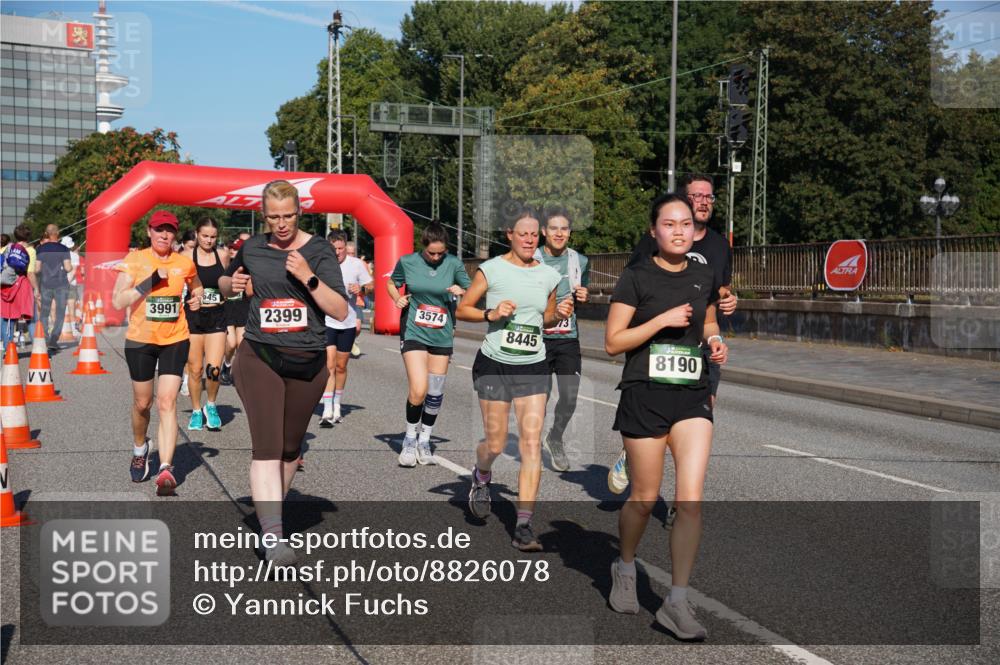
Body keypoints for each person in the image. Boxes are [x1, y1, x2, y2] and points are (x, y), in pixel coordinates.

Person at [604, 192, 728, 640]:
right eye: (668, 224)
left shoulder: (703, 272)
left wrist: (713, 342)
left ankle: (676, 601)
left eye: (685, 224)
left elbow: (708, 320)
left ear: (694, 230)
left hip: (692, 394)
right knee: (643, 497)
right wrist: (660, 321)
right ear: (654, 231)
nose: (678, 231)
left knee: (689, 499)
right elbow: (613, 342)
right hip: (644, 393)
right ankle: (625, 565)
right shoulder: (636, 277)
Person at [219, 180, 348, 564]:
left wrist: (308, 275)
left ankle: (270, 517)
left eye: (288, 215)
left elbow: (340, 310)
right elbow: (226, 282)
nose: (281, 224)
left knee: (290, 450)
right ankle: (274, 536)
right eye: (273, 217)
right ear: (264, 216)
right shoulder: (253, 247)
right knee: (267, 447)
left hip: (308, 362)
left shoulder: (319, 250)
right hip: (260, 355)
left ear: (299, 212)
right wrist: (233, 283)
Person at [610, 174, 738, 495]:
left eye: (709, 197)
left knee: (701, 413)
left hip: (695, 360)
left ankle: (682, 504)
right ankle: (637, 452)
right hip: (648, 373)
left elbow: (717, 297)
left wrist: (717, 334)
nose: (703, 202)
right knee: (644, 493)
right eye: (697, 195)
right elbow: (638, 289)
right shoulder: (650, 250)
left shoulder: (720, 247)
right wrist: (660, 318)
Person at [456, 207, 573, 551]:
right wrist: (491, 313)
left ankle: (523, 524)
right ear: (509, 234)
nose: (528, 239)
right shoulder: (491, 269)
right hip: (495, 363)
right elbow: (463, 309)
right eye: (522, 233)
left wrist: (560, 314)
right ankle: (481, 474)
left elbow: (546, 319)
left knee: (530, 443)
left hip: (533, 365)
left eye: (533, 234)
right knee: (494, 444)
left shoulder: (549, 276)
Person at [111, 210, 203, 496]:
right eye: (159, 230)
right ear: (149, 231)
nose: (165, 235)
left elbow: (196, 285)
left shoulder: (183, 263)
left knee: (166, 401)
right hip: (140, 341)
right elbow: (118, 301)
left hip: (175, 338)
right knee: (143, 403)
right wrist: (149, 281)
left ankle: (165, 467)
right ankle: (140, 448)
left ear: (176, 234)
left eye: (170, 230)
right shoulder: (135, 260)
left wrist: (197, 297)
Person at [386, 222, 471, 466]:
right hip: (414, 331)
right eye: (431, 253)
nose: (435, 257)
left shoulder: (453, 263)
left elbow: (471, 288)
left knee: (435, 393)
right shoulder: (408, 261)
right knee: (419, 389)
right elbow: (392, 282)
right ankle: (409, 440)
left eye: (440, 253)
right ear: (423, 246)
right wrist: (397, 298)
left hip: (442, 334)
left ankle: (425, 440)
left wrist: (461, 290)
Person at [536, 208, 590, 472]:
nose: (559, 233)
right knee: (540, 397)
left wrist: (583, 296)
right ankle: (531, 442)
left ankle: (555, 438)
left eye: (564, 229)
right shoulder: (531, 259)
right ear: (544, 231)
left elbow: (584, 292)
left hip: (568, 338)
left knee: (570, 396)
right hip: (539, 338)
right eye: (554, 228)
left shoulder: (580, 260)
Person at [317, 230, 372, 427]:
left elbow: (370, 285)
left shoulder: (356, 264)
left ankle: (337, 404)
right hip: (327, 321)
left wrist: (361, 290)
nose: (338, 253)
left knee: (341, 366)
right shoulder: (321, 264)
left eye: (341, 249)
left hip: (347, 322)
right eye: (334, 249)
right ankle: (327, 408)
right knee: (329, 364)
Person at [180, 218, 230, 431]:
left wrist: (224, 297)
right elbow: (178, 286)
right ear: (197, 235)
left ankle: (211, 404)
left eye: (213, 237)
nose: (209, 240)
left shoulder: (223, 255)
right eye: (205, 236)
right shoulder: (185, 257)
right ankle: (196, 410)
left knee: (214, 369)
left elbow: (227, 287)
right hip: (193, 319)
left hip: (217, 317)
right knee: (195, 369)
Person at [35, 224, 73, 354]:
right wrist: (69, 267)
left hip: (45, 284)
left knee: (44, 312)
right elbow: (68, 268)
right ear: (58, 233)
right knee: (60, 313)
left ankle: (45, 338)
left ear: (46, 233)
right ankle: (53, 341)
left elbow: (37, 269)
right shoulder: (64, 249)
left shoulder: (40, 249)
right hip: (61, 284)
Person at [220, 235, 251, 386]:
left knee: (241, 343)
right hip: (227, 308)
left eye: (237, 249)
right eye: (232, 248)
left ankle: (238, 372)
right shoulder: (226, 264)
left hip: (243, 307)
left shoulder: (249, 267)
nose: (233, 251)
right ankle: (226, 365)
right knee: (231, 343)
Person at [1, 243, 34, 351]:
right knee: (30, 318)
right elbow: (30, 273)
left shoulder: (5, 250)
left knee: (7, 320)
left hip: (5, 287)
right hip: (21, 285)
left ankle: (8, 350)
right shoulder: (30, 251)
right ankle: (37, 348)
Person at [344, 240, 366, 358]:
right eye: (348, 253)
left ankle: (350, 340)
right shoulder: (338, 264)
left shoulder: (360, 265)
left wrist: (361, 288)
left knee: (357, 328)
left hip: (357, 301)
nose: (350, 256)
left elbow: (370, 285)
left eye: (353, 253)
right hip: (342, 301)